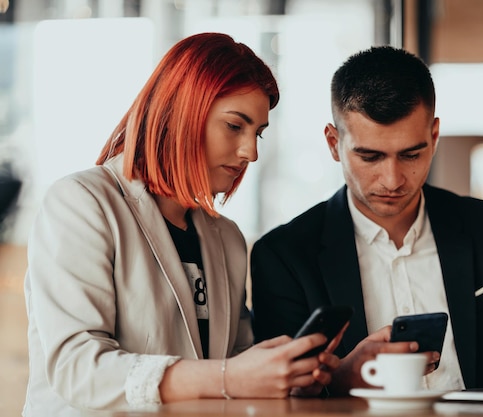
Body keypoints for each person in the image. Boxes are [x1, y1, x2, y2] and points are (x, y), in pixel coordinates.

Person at [23, 32, 342, 417]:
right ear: (182, 112)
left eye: (257, 133)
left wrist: (301, 376)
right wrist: (227, 377)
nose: (251, 152)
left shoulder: (227, 239)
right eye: (234, 126)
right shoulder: (82, 203)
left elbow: (237, 363)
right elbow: (76, 368)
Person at [250, 45, 483, 396]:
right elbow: (278, 400)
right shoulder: (283, 255)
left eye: (411, 154)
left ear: (434, 137)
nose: (393, 179)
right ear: (334, 144)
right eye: (370, 156)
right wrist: (341, 379)